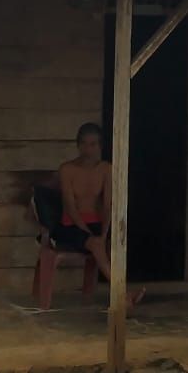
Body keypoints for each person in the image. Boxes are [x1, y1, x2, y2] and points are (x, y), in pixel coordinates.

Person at [56, 122, 144, 306]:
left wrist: (104, 234)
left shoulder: (106, 169)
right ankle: (124, 295)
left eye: (93, 144)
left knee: (113, 243)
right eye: (84, 144)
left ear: (100, 146)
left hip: (96, 224)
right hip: (71, 225)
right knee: (96, 245)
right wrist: (90, 235)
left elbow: (106, 205)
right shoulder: (67, 169)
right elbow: (70, 207)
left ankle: (122, 294)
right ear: (78, 145)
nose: (88, 149)